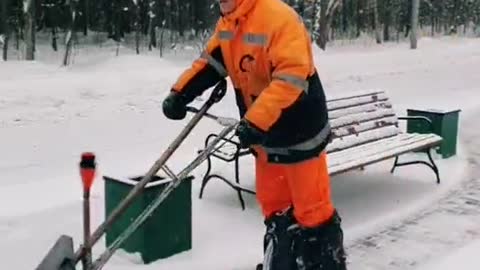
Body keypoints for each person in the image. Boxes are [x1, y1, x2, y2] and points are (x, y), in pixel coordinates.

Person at [162, 0, 347, 269]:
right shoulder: (229, 22)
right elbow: (212, 61)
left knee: (313, 213)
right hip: (265, 139)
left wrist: (256, 121)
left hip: (300, 133)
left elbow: (292, 76)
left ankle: (323, 264)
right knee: (275, 211)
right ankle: (281, 262)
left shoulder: (278, 17)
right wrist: (181, 93)